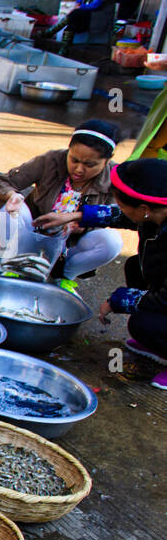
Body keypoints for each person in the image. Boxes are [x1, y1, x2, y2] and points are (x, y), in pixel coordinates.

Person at [40, 159, 167, 388]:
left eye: (123, 202)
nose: (121, 207)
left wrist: (116, 300)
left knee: (143, 323)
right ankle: (158, 345)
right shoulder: (155, 213)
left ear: (145, 210)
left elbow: (165, 299)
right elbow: (124, 215)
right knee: (134, 266)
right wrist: (74, 216)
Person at [0, 120, 123, 288]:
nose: (78, 169)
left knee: (112, 241)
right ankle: (14, 264)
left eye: (89, 165)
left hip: (70, 246)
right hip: (33, 235)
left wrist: (83, 226)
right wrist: (12, 195)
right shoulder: (51, 160)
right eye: (74, 159)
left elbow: (114, 214)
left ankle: (65, 276)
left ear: (107, 160)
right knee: (7, 210)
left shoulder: (114, 178)